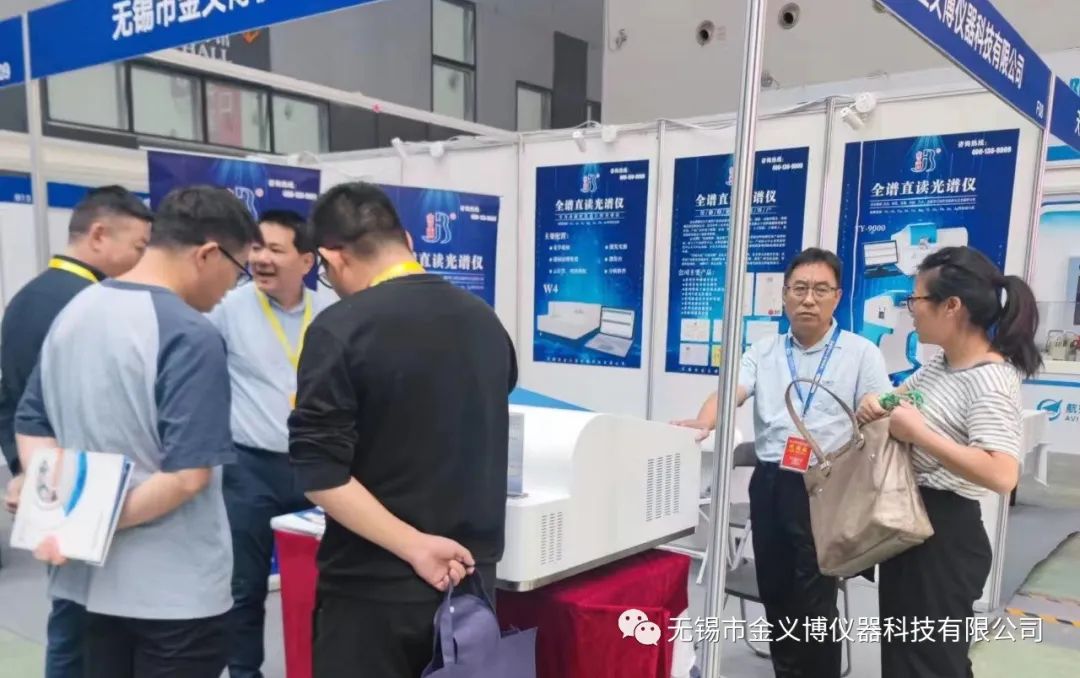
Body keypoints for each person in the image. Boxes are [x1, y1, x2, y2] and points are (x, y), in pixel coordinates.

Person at [13, 185, 260, 678]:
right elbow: (188, 476)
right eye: (238, 271)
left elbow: (32, 422)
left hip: (87, 583)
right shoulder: (189, 334)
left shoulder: (76, 311)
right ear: (208, 254)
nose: (232, 288)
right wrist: (84, 522)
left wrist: (59, 512)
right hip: (174, 592)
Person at [288, 182, 518, 678]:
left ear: (332, 257)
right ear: (408, 241)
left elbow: (320, 472)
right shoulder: (485, 321)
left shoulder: (340, 328)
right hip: (470, 586)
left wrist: (414, 545)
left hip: (373, 593)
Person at [674, 247, 891, 678]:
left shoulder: (861, 353)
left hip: (827, 485)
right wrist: (705, 419)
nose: (809, 299)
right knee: (774, 588)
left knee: (814, 597)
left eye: (821, 290)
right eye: (800, 288)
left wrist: (875, 407)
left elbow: (879, 407)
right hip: (772, 482)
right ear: (785, 294)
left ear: (837, 297)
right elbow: (730, 391)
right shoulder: (764, 351)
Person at [855, 246, 1036, 678]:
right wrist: (877, 402)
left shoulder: (991, 379)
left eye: (916, 299)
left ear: (951, 306)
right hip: (910, 523)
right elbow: (902, 399)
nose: (911, 311)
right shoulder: (943, 364)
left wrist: (920, 435)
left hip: (945, 538)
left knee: (933, 664)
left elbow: (1002, 473)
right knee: (903, 659)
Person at [0, 185, 151, 678]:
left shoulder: (25, 298)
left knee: (70, 614)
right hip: (92, 484)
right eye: (138, 246)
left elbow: (12, 399)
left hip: (53, 477)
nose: (142, 260)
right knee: (91, 624)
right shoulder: (93, 304)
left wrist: (26, 469)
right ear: (99, 235)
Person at [207, 209, 334, 678]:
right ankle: (245, 672)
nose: (260, 258)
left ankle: (323, 666)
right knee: (244, 585)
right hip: (250, 469)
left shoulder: (330, 313)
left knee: (327, 581)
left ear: (306, 261)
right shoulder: (227, 309)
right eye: (256, 247)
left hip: (317, 469)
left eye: (275, 249)